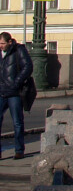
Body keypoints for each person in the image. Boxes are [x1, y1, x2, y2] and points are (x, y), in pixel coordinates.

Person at [0, 32, 32, 160]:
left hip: (14, 93)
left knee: (17, 122)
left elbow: (28, 66)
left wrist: (16, 82)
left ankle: (19, 150)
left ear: (9, 42)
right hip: (1, 91)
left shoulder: (19, 50)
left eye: (2, 43)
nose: (0, 46)